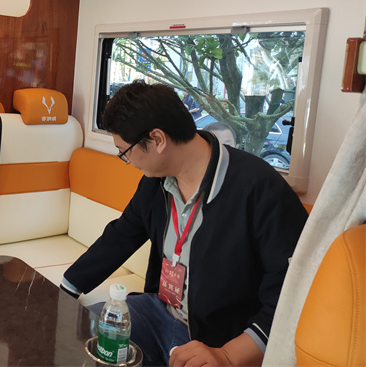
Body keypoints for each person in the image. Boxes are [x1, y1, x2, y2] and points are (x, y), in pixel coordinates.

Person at [60, 80, 307, 367]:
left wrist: (228, 356)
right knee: (78, 336)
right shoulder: (155, 183)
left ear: (157, 140)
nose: (127, 161)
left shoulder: (260, 189)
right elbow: (121, 236)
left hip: (218, 339)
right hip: (159, 312)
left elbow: (292, 291)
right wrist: (66, 288)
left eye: (125, 152)